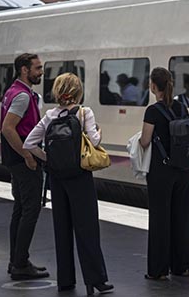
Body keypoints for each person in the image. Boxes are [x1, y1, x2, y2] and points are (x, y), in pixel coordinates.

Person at [24, 73, 114, 295]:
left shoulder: (50, 116)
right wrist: (99, 133)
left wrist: (49, 159)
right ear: (77, 91)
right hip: (80, 177)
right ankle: (95, 281)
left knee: (61, 229)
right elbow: (93, 141)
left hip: (57, 179)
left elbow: (29, 143)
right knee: (88, 230)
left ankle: (65, 280)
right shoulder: (84, 113)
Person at [139, 67, 189, 280]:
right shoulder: (182, 108)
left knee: (160, 219)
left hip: (161, 171)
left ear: (153, 86)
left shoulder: (152, 111)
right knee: (182, 218)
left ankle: (158, 270)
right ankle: (182, 266)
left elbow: (144, 141)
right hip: (183, 170)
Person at [0, 53, 49, 281]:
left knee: (20, 210)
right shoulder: (23, 97)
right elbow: (8, 128)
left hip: (13, 160)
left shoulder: (12, 91)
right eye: (37, 68)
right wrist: (27, 155)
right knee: (31, 210)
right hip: (23, 161)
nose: (41, 72)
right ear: (24, 70)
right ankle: (20, 263)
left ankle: (16, 260)